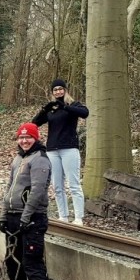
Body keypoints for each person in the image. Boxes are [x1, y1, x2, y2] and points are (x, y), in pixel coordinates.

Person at [0, 122, 57, 280]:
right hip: (14, 217)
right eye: (21, 137)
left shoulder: (40, 160)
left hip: (32, 219)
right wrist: (4, 216)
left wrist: (26, 217)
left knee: (32, 263)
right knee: (13, 260)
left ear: (35, 138)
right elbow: (9, 188)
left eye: (28, 137)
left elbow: (38, 191)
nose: (24, 140)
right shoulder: (18, 159)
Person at [32, 79, 89, 225]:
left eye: (60, 89)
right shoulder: (52, 109)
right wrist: (45, 109)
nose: (58, 91)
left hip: (69, 148)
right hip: (52, 150)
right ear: (52, 92)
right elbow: (34, 123)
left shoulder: (72, 105)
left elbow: (84, 113)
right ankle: (63, 216)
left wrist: (64, 106)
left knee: (74, 184)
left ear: (65, 89)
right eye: (55, 90)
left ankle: (78, 217)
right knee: (57, 185)